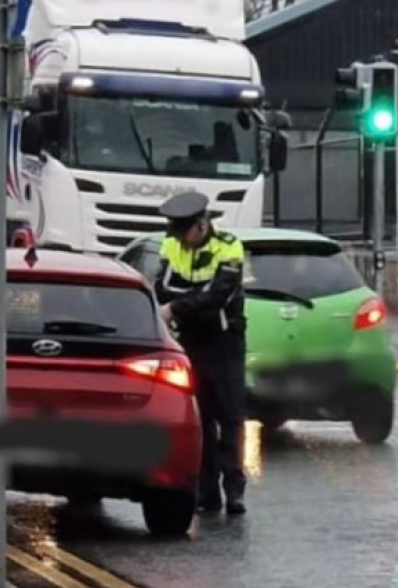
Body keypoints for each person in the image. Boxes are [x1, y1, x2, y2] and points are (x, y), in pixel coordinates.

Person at [153, 191, 248, 515]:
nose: (180, 238)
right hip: (191, 340)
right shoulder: (172, 245)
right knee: (201, 417)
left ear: (202, 224)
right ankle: (208, 493)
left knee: (231, 417)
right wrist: (194, 302)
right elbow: (161, 288)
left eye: (184, 231)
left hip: (225, 342)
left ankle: (234, 489)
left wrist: (179, 305)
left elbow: (219, 295)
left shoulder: (229, 246)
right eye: (176, 231)